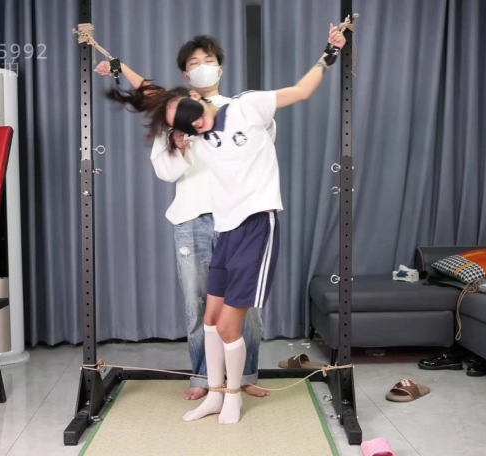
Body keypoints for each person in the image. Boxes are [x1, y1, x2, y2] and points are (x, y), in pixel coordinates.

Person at [103, 23, 347, 424]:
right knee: (208, 318)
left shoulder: (246, 106)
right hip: (218, 225)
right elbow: (154, 94)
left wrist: (329, 53)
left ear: (208, 82)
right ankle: (214, 393)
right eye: (184, 123)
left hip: (256, 223)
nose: (193, 124)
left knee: (236, 320)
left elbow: (301, 92)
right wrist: (119, 69)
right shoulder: (194, 134)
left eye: (208, 60)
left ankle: (234, 392)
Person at [93, 36, 273, 400]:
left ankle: (245, 375)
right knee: (197, 305)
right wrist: (179, 146)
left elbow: (261, 151)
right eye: (193, 63)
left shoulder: (239, 109)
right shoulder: (171, 116)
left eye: (207, 60)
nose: (202, 67)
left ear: (220, 69)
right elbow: (164, 171)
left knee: (245, 306)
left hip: (239, 220)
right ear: (186, 76)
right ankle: (203, 379)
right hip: (191, 222)